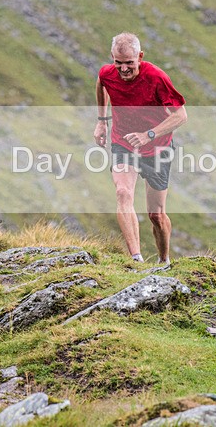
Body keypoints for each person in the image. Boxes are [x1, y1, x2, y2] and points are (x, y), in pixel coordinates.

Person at [93, 32, 187, 265]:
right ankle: (136, 260)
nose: (123, 69)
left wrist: (149, 135)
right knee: (123, 193)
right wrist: (102, 121)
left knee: (156, 215)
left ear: (140, 57)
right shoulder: (107, 73)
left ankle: (164, 261)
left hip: (157, 148)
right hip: (123, 142)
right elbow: (101, 84)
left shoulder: (156, 77)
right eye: (118, 63)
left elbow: (181, 115)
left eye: (129, 63)